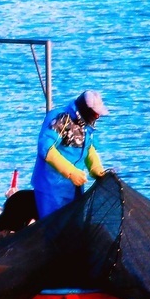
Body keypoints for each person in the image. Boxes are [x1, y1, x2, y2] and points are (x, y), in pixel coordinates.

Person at [32, 90, 110, 219]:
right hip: (51, 188)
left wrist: (96, 168)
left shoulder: (86, 125)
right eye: (95, 113)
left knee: (73, 228)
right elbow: (45, 148)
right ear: (86, 110)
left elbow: (89, 147)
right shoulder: (61, 118)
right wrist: (70, 172)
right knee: (53, 229)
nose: (97, 117)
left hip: (74, 188)